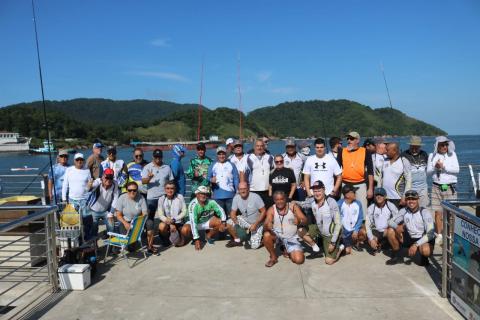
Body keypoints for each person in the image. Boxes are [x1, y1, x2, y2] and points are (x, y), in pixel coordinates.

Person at [297, 180, 344, 264]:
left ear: (324, 190)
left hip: (330, 234)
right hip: (319, 229)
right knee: (300, 231)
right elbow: (303, 204)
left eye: (319, 190)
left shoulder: (331, 202)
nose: (316, 193)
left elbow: (338, 224)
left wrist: (333, 243)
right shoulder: (312, 201)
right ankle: (315, 246)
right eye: (314, 191)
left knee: (329, 261)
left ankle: (340, 247)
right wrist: (293, 202)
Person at [385, 190, 434, 266]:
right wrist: (397, 226)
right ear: (406, 201)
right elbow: (389, 222)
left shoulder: (425, 212)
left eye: (413, 199)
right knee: (390, 231)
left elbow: (431, 234)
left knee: (426, 250)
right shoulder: (404, 210)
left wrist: (416, 245)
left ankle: (424, 258)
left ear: (418, 200)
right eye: (408, 199)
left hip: (421, 238)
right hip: (409, 237)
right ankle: (397, 255)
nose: (411, 201)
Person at [427, 136, 459, 244]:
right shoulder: (432, 155)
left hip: (449, 186)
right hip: (436, 186)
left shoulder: (452, 155)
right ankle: (439, 234)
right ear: (437, 145)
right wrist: (435, 167)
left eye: (446, 144)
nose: (445, 147)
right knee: (437, 212)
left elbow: (457, 169)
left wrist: (444, 166)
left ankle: (450, 234)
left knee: (451, 213)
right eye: (442, 145)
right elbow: (428, 173)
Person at [263, 191, 307, 267]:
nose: (279, 201)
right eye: (277, 199)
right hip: (278, 237)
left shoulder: (293, 207)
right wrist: (268, 225)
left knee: (299, 260)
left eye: (281, 199)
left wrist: (299, 221)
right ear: (274, 200)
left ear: (285, 199)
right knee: (266, 235)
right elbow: (264, 226)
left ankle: (286, 249)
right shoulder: (271, 209)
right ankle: (273, 257)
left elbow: (305, 220)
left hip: (291, 238)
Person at [141, 149, 174, 250]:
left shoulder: (167, 168)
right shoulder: (147, 167)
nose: (158, 159)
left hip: (163, 197)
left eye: (159, 157)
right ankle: (149, 239)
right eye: (156, 157)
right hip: (151, 198)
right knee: (149, 219)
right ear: (153, 157)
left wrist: (172, 194)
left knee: (164, 218)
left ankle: (164, 237)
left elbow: (171, 181)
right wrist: (149, 178)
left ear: (162, 157)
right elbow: (143, 181)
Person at [337, 131, 374, 215]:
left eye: (352, 139)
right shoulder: (342, 151)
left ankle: (363, 226)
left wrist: (370, 189)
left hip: (360, 184)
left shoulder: (365, 151)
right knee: (344, 210)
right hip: (345, 184)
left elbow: (370, 172)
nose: (349, 141)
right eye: (348, 139)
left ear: (358, 140)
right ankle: (345, 227)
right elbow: (336, 170)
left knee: (362, 210)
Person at [181, 186, 227, 250]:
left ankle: (208, 236)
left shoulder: (211, 202)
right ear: (197, 194)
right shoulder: (193, 205)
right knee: (184, 230)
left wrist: (223, 222)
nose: (203, 196)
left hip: (207, 221)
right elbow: (193, 222)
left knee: (220, 222)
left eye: (205, 194)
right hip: (195, 223)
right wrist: (196, 239)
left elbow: (221, 210)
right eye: (201, 193)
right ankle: (193, 239)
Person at [225, 182, 266, 249]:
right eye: (241, 189)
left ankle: (263, 240)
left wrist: (255, 224)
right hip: (245, 220)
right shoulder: (236, 198)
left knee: (254, 246)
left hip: (257, 223)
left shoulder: (256, 197)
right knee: (229, 222)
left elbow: (264, 211)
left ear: (248, 189)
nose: (243, 191)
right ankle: (237, 240)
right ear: (238, 190)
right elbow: (232, 213)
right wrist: (237, 225)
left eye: (244, 188)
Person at [115, 181, 150, 252]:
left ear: (137, 190)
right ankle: (123, 244)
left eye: (134, 190)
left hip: (136, 220)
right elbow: (118, 215)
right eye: (130, 190)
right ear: (126, 190)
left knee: (148, 223)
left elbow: (145, 213)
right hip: (125, 221)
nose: (132, 192)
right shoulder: (122, 198)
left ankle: (145, 243)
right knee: (127, 246)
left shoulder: (141, 198)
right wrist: (125, 223)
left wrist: (137, 222)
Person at [85, 168, 119, 239]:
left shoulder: (115, 184)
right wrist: (89, 185)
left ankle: (109, 241)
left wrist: (111, 214)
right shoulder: (98, 181)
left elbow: (115, 200)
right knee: (93, 230)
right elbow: (88, 189)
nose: (108, 180)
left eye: (111, 177)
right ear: (103, 176)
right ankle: (93, 245)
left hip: (106, 211)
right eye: (107, 177)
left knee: (111, 227)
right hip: (93, 210)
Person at [62, 153, 92, 232]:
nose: (79, 161)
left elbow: (89, 185)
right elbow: (65, 184)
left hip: (84, 200)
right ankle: (76, 238)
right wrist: (64, 198)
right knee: (72, 222)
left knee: (86, 220)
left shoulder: (87, 170)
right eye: (77, 160)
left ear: (83, 161)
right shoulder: (69, 170)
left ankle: (87, 237)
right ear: (74, 161)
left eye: (81, 160)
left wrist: (89, 187)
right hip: (72, 200)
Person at [364, 187, 399, 254]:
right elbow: (367, 224)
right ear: (374, 196)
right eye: (377, 195)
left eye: (381, 195)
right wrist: (371, 239)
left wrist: (389, 225)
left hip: (386, 231)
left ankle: (393, 250)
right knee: (368, 237)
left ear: (385, 196)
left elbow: (398, 218)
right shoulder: (371, 207)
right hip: (376, 231)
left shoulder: (390, 205)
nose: (379, 197)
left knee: (391, 232)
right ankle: (379, 244)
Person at [208, 146, 239, 215]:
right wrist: (211, 179)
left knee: (232, 216)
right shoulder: (213, 165)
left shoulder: (232, 165)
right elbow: (208, 177)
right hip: (217, 196)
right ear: (217, 155)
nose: (221, 156)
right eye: (219, 154)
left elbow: (236, 179)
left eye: (223, 154)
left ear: (226, 154)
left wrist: (237, 191)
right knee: (220, 218)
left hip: (230, 196)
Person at [380, 142, 412, 208]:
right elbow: (381, 178)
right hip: (385, 197)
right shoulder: (384, 161)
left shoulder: (404, 161)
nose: (385, 152)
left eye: (387, 150)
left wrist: (404, 197)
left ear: (394, 151)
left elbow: (409, 181)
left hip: (398, 198)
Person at [156, 181, 187, 247]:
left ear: (175, 189)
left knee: (180, 243)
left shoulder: (180, 197)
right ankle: (166, 240)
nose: (170, 190)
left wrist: (174, 220)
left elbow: (184, 211)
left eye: (172, 188)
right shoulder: (161, 199)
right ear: (165, 189)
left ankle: (179, 236)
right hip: (167, 222)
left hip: (178, 222)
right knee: (161, 226)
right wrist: (170, 223)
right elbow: (160, 214)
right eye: (168, 188)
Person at [402, 136, 429, 208]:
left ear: (420, 146)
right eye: (412, 147)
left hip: (423, 188)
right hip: (410, 187)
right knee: (411, 208)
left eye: (416, 147)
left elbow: (428, 168)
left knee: (423, 208)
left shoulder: (424, 154)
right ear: (409, 146)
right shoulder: (404, 155)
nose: (414, 150)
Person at [338, 185, 366, 254]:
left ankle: (356, 244)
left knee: (363, 231)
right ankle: (342, 243)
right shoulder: (339, 204)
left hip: (354, 230)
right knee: (347, 251)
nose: (355, 193)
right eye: (353, 192)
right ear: (347, 195)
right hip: (344, 231)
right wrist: (341, 231)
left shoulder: (358, 203)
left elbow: (360, 218)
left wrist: (356, 230)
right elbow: (336, 220)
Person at [245, 138, 274, 205]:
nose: (259, 148)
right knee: (255, 212)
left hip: (267, 190)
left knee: (267, 210)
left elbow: (275, 170)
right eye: (257, 146)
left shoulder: (270, 157)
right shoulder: (247, 158)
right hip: (253, 190)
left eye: (261, 146)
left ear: (264, 147)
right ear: (254, 147)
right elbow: (242, 173)